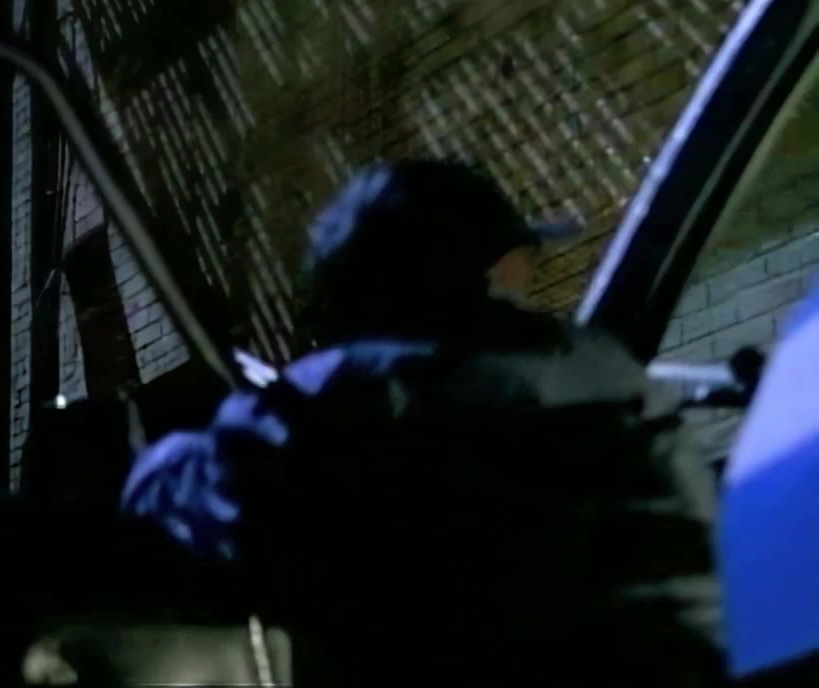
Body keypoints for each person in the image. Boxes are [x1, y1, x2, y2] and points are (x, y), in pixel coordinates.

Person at [119, 159, 725, 686]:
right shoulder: (604, 364)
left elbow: (168, 497)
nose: (525, 281)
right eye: (512, 262)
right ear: (465, 271)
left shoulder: (337, 400)